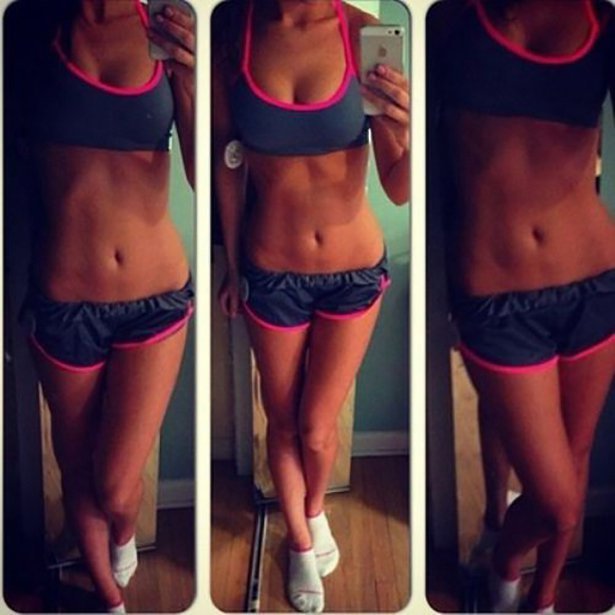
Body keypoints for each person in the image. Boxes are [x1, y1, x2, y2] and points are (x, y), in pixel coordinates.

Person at [212, 0, 409, 611]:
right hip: (271, 272)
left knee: (319, 429)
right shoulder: (232, 29)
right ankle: (299, 541)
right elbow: (225, 163)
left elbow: (399, 188)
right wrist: (233, 266)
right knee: (283, 420)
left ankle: (316, 508)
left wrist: (408, 127)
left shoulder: (362, 33)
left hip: (355, 272)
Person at [5, 0, 195, 611]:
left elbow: (205, 172)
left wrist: (191, 81)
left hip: (156, 299)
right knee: (77, 468)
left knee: (115, 483)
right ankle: (110, 600)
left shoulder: (165, 25)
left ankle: (123, 532)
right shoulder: (24, 27)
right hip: (63, 303)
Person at [430, 0, 615, 611]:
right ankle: (504, 565)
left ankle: (540, 599)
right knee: (555, 501)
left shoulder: (603, 20)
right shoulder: (449, 19)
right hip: (495, 298)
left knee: (575, 460)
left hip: (596, 283)